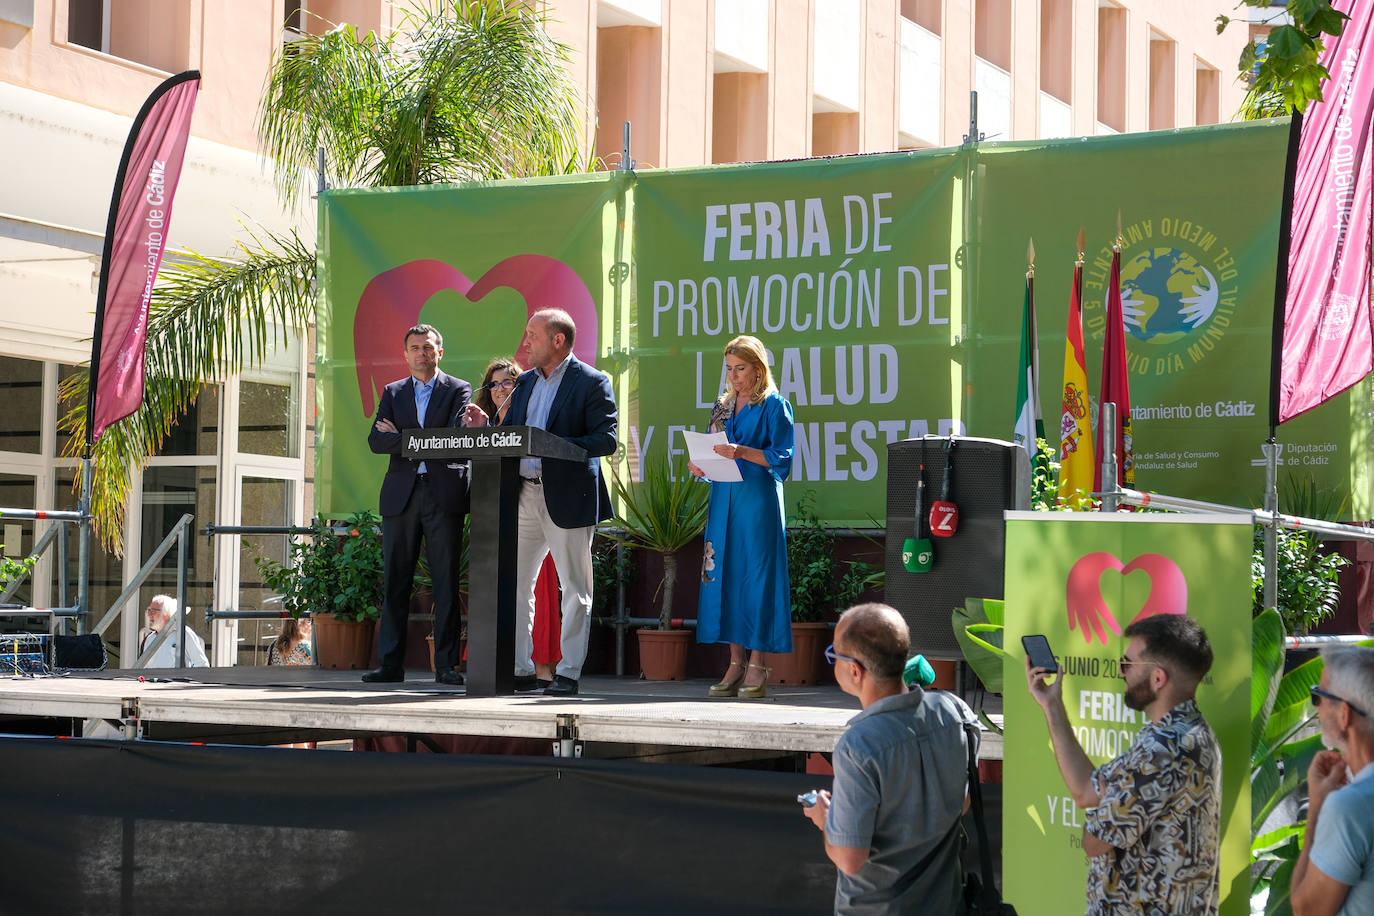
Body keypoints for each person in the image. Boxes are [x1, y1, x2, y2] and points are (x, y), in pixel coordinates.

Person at [461, 308, 616, 696]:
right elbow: (514, 435)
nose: (525, 343)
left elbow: (606, 440)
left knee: (575, 588)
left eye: (532, 335)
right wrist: (487, 429)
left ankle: (568, 672)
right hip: (524, 492)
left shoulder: (592, 382)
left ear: (557, 340)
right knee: (514, 584)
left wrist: (554, 447)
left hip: (568, 495)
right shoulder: (525, 382)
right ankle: (519, 668)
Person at [1024, 613, 1221, 915]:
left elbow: (1093, 843)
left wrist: (1104, 803)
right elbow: (1085, 791)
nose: (1122, 672)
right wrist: (1052, 704)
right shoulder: (1187, 732)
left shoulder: (1161, 751)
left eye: (1127, 664)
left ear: (1158, 678)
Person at [802, 603, 977, 914]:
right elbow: (962, 802)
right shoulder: (956, 713)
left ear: (854, 670)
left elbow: (849, 858)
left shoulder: (859, 745)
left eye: (834, 655)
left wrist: (825, 819)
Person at [363, 323, 471, 686]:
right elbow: (376, 442)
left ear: (439, 352)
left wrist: (404, 439)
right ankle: (390, 665)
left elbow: (453, 439)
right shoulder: (393, 392)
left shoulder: (458, 389)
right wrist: (424, 441)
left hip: (443, 494)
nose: (421, 353)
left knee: (445, 583)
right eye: (415, 348)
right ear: (405, 354)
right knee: (396, 582)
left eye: (428, 347)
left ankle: (446, 666)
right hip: (402, 495)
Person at [688, 335, 794, 699]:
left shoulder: (775, 405)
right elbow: (713, 448)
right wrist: (700, 464)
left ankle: (758, 663)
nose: (733, 376)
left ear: (759, 369)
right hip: (723, 498)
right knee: (725, 575)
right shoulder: (722, 407)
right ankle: (734, 661)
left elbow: (782, 458)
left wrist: (742, 451)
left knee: (757, 576)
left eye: (741, 369)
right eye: (729, 369)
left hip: (757, 499)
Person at [475, 356, 562, 687]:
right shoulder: (484, 422)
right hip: (496, 517)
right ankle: (515, 666)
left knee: (535, 590)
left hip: (535, 508)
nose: (500, 389)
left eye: (507, 382)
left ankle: (543, 670)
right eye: (494, 384)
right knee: (510, 593)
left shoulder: (532, 415)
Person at [1291, 645, 1374, 916]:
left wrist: (1317, 806)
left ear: (1344, 714)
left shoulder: (1351, 806)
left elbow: (1306, 910)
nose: (1316, 707)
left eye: (1319, 696)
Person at [141, 595, 209, 667]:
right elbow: (145, 669)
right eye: (149, 611)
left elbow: (202, 664)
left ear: (166, 614)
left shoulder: (183, 633)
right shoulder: (149, 639)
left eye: (153, 611)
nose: (149, 615)